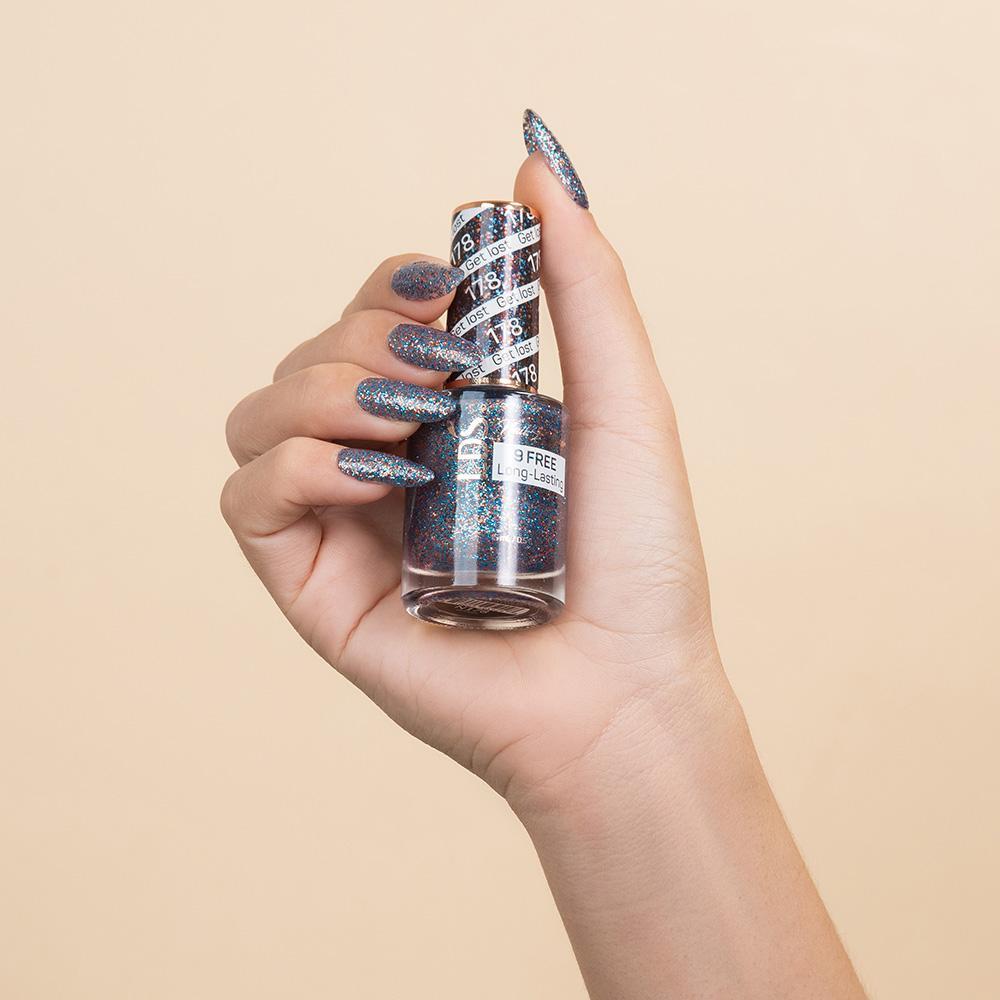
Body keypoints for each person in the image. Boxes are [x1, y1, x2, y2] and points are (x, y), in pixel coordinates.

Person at [221, 111, 867, 999]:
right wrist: (608, 753)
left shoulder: (540, 416)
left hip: (526, 595)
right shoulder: (472, 410)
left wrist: (634, 716)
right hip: (438, 577)